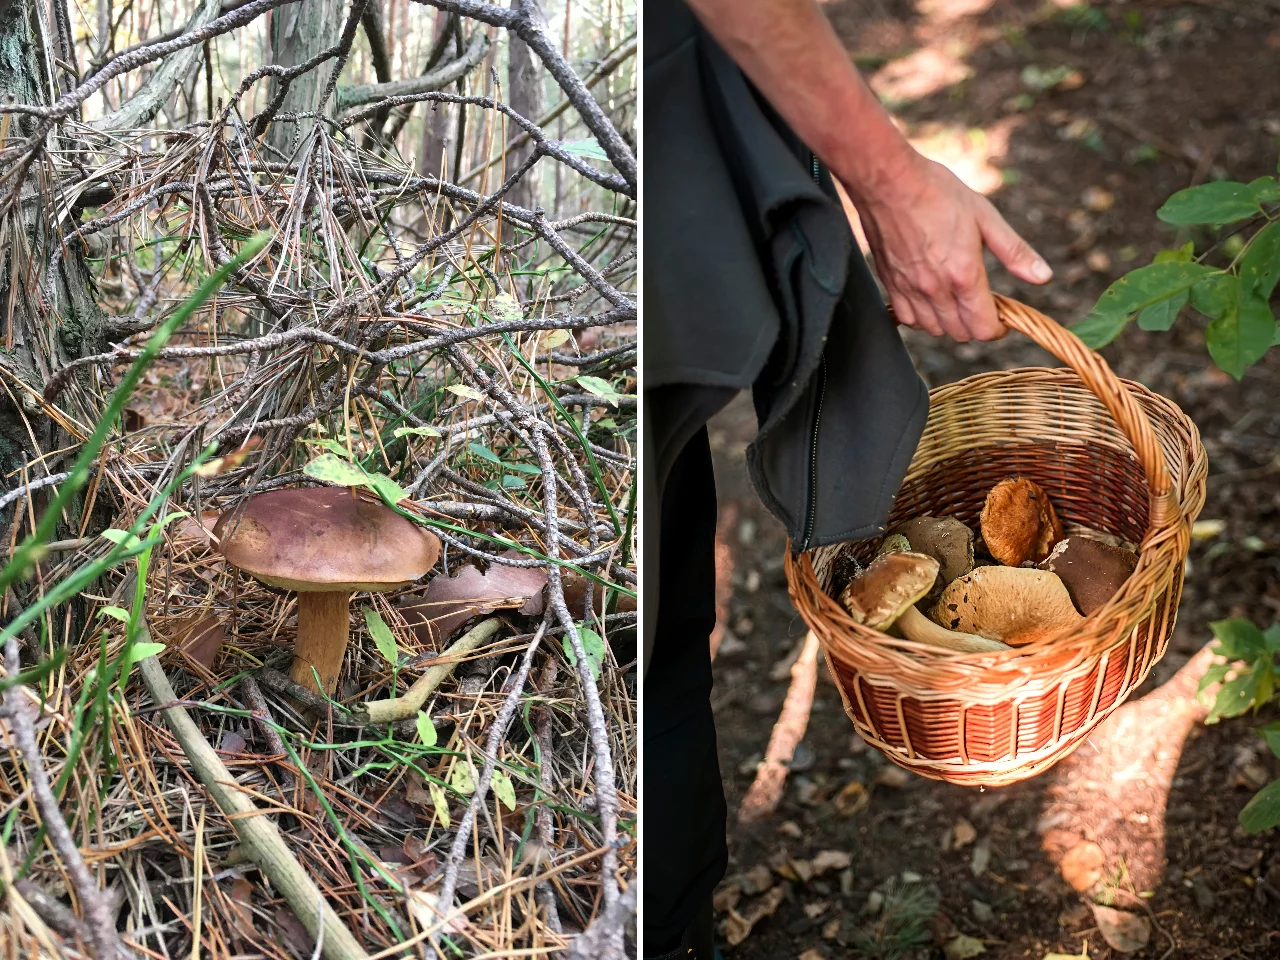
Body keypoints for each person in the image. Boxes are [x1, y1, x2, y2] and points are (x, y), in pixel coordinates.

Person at [641, 0, 1054, 956]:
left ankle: (670, 910)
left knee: (662, 592)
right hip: (661, 123)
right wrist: (892, 180)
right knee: (656, 627)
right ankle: (664, 921)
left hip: (665, 137)